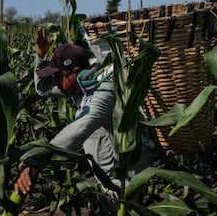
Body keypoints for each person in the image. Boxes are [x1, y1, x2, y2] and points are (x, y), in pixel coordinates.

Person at [14, 27, 155, 195]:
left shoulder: (105, 89)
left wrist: (38, 160)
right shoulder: (81, 83)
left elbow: (83, 125)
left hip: (128, 178)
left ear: (75, 72)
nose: (56, 82)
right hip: (110, 179)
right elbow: (43, 89)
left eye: (58, 76)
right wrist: (41, 57)